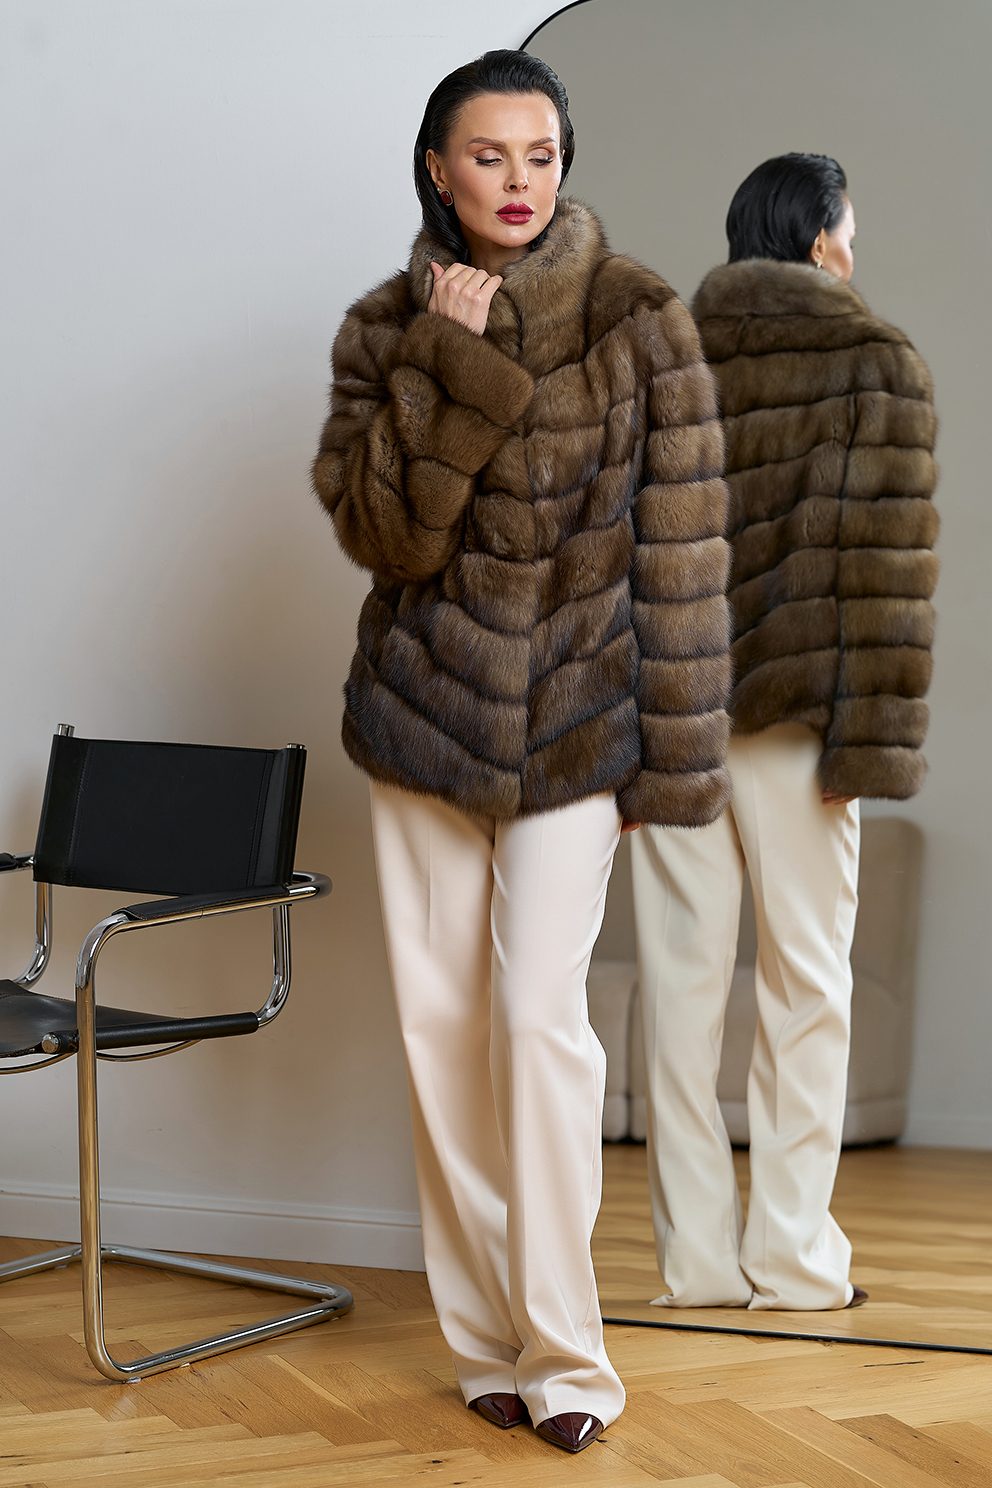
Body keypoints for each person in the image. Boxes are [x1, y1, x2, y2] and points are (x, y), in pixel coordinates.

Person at [312, 49, 733, 1451]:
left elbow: (683, 551)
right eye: (487, 156)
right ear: (439, 169)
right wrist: (447, 361)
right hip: (422, 723)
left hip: (576, 731)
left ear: (565, 163)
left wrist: (670, 764)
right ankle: (485, 1343)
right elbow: (389, 538)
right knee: (441, 1036)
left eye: (539, 155)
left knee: (539, 1026)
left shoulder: (639, 318)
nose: (516, 181)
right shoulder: (384, 328)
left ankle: (568, 1358)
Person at [631, 153, 938, 1312]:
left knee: (678, 992)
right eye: (847, 229)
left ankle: (696, 1266)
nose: (853, 249)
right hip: (798, 729)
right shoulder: (874, 359)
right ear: (816, 238)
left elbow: (621, 555)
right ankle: (793, 1261)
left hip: (672, 718)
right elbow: (882, 577)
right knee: (805, 990)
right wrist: (864, 744)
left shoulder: (665, 355)